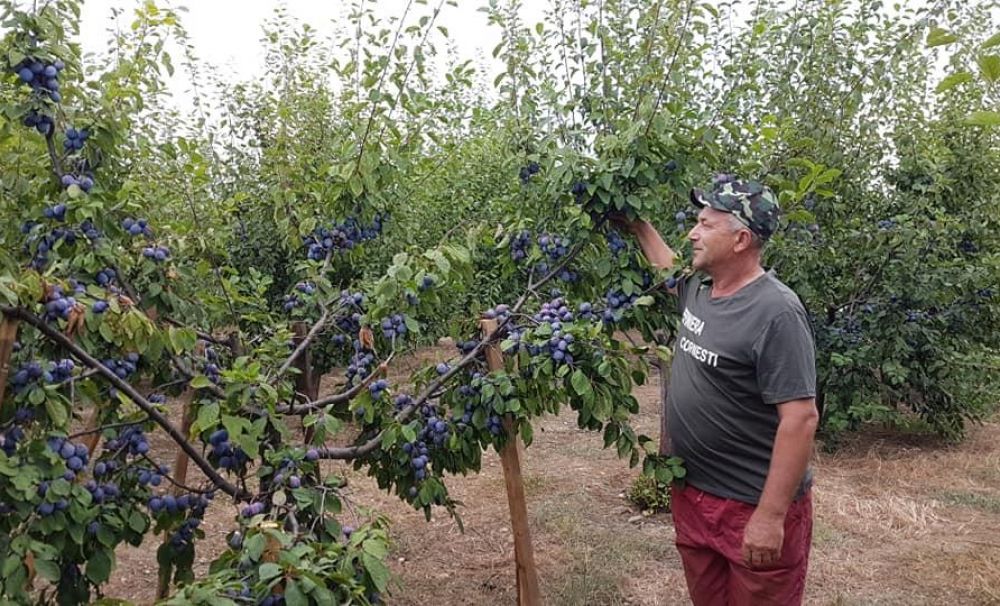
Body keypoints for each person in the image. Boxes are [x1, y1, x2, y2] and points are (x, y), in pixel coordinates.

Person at [615, 175, 819, 605]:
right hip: (692, 493)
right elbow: (668, 269)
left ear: (741, 239)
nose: (693, 232)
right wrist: (638, 226)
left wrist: (771, 516)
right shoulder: (700, 290)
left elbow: (800, 419)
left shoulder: (775, 312)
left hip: (748, 506)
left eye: (706, 225)